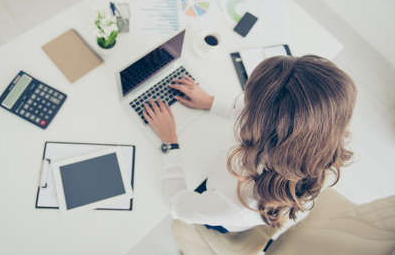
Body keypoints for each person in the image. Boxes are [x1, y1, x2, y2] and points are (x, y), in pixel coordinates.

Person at [143, 55, 357, 233]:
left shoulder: (239, 201)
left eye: (250, 103)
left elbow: (178, 206)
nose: (245, 103)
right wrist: (211, 102)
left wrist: (170, 142)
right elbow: (273, 114)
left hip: (221, 210)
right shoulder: (323, 137)